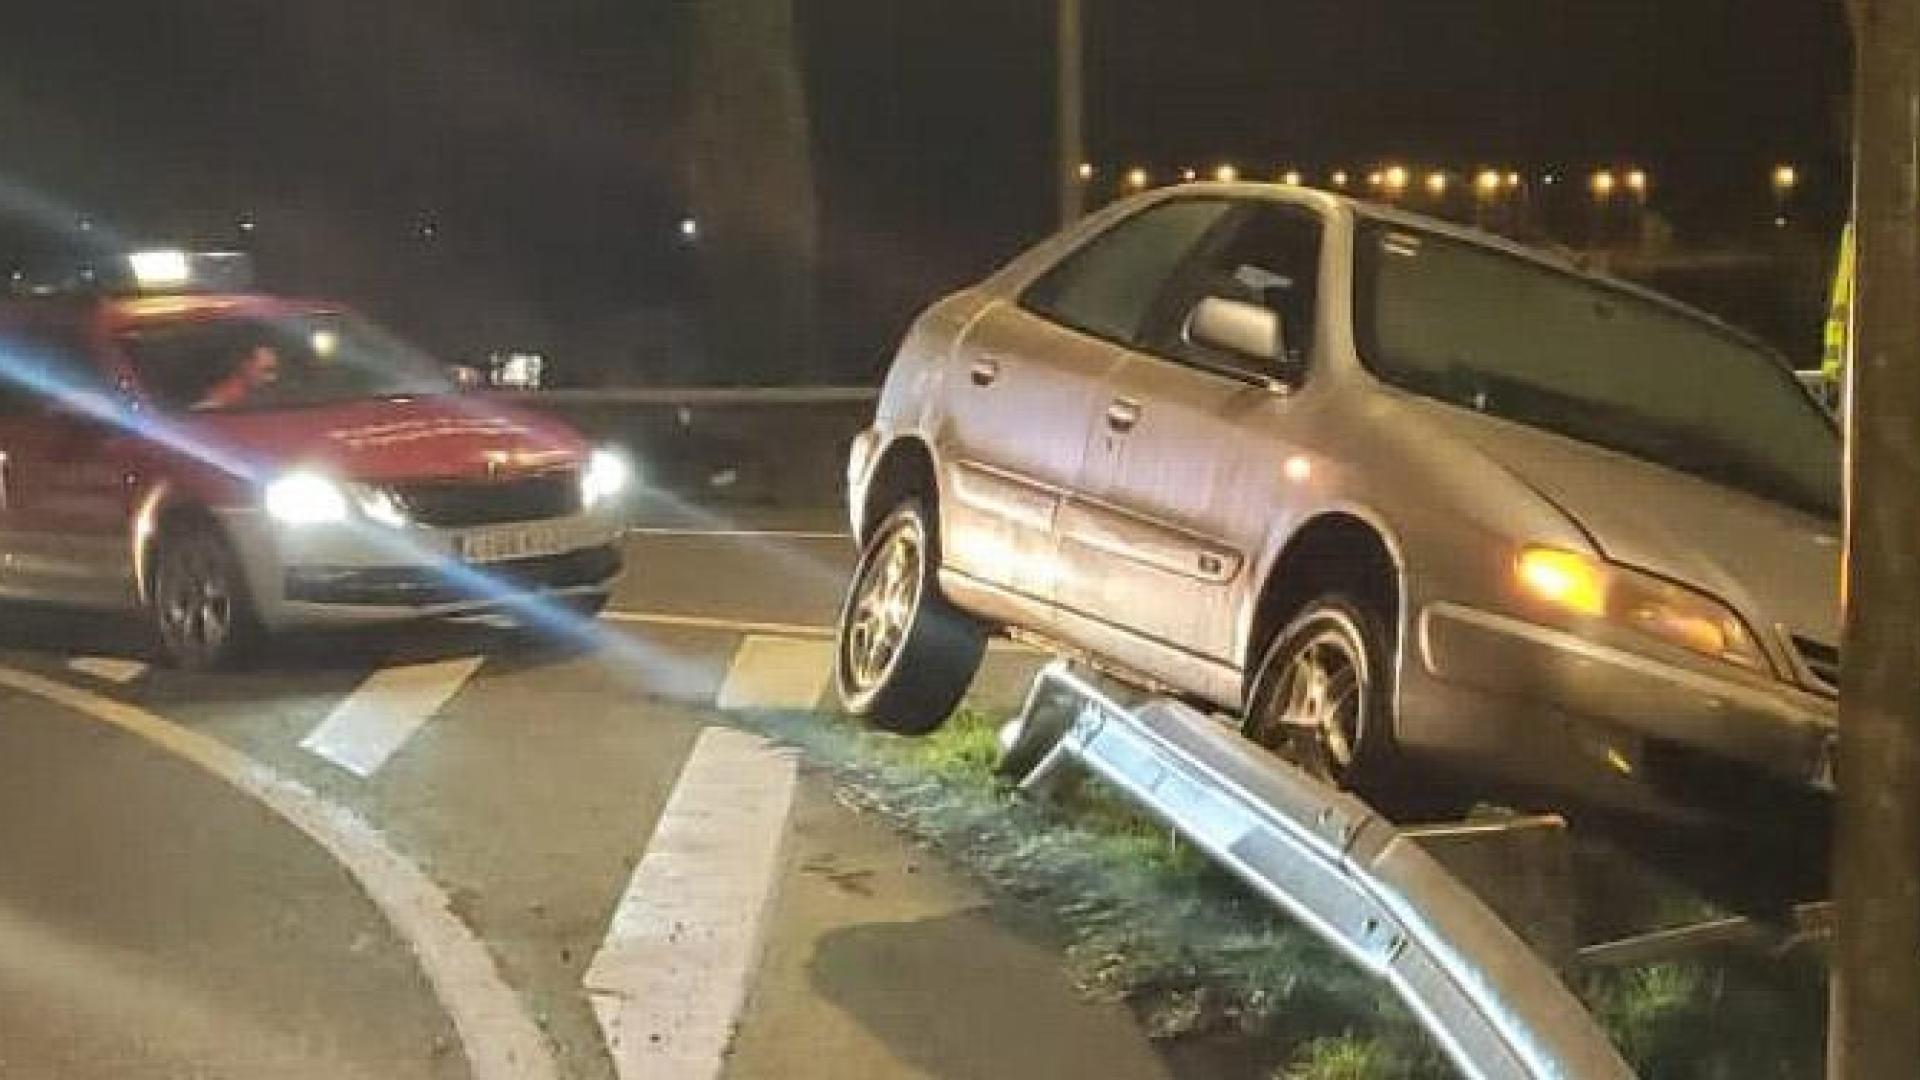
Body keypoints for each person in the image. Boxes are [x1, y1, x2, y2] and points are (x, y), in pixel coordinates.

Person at [196, 344, 280, 410]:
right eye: (266, 370)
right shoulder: (224, 398)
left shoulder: (269, 400)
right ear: (246, 365)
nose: (272, 378)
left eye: (272, 371)